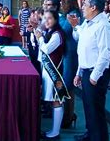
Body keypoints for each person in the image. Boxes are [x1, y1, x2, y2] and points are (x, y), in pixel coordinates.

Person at [70, 0, 110, 141]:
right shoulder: (88, 23)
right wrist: (79, 72)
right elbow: (83, 50)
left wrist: (95, 76)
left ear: (93, 7)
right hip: (86, 70)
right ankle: (90, 134)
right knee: (89, 108)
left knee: (96, 110)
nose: (82, 7)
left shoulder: (103, 25)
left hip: (96, 73)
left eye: (85, 5)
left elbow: (105, 53)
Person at [35, 10, 66, 139]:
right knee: (53, 101)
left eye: (49, 19)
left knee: (57, 100)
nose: (46, 21)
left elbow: (47, 49)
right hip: (48, 70)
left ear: (56, 20)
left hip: (55, 71)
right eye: (45, 18)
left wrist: (40, 38)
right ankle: (53, 130)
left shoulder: (57, 34)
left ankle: (56, 132)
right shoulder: (49, 32)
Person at [60, 0, 81, 129]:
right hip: (66, 51)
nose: (61, 4)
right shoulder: (66, 15)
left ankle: (69, 116)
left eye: (62, 1)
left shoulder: (73, 14)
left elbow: (63, 30)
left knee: (68, 85)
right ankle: (68, 114)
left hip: (71, 53)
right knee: (65, 84)